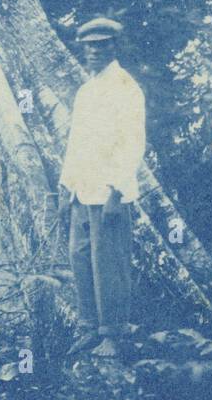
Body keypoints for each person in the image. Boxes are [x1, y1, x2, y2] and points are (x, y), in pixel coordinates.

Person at [58, 18, 146, 360]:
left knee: (109, 263)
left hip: (109, 193)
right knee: (80, 259)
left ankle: (113, 333)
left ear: (114, 47)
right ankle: (88, 327)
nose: (94, 51)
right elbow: (76, 143)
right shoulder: (87, 91)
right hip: (82, 190)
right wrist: (67, 190)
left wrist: (117, 192)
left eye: (102, 45)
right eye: (89, 45)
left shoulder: (126, 88)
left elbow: (132, 143)